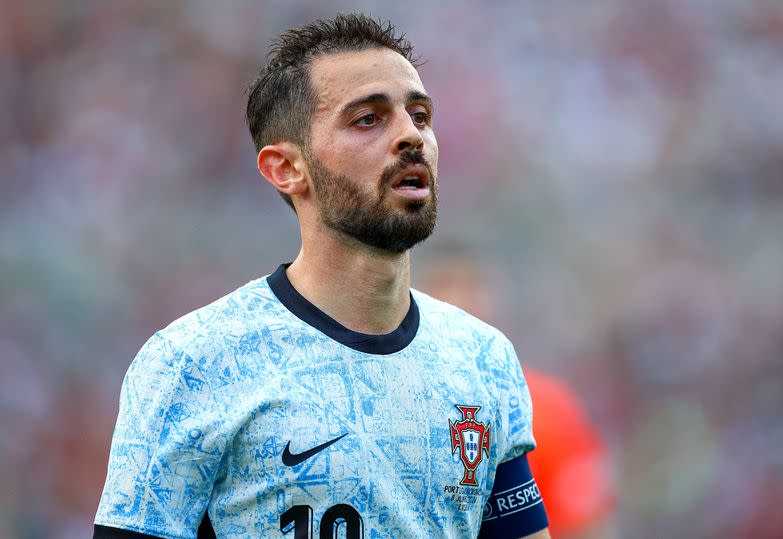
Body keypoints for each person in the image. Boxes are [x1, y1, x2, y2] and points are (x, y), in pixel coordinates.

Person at [94, 13, 551, 539]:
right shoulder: (192, 363)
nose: (411, 136)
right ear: (286, 168)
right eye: (368, 119)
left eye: (420, 116)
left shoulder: (483, 359)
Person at [417, 252, 617, 539]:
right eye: (446, 286)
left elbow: (585, 524)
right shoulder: (399, 399)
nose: (461, 300)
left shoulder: (547, 407)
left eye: (473, 287)